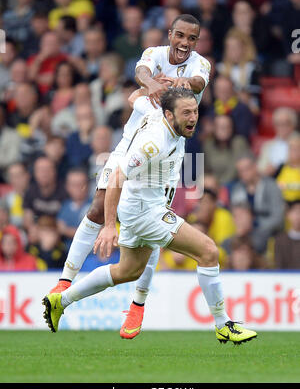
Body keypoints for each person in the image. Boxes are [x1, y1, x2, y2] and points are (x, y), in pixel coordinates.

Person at [43, 87, 257, 345]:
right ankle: (224, 325)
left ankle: (60, 301)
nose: (193, 118)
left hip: (140, 206)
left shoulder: (161, 116)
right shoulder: (154, 142)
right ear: (169, 114)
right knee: (209, 251)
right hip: (146, 211)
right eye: (186, 112)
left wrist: (149, 88)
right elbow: (116, 178)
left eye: (195, 111)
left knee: (127, 271)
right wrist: (109, 226)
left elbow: (135, 99)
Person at [47, 13, 211, 333]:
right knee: (98, 204)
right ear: (170, 34)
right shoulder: (154, 54)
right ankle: (64, 282)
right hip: (129, 146)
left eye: (192, 39)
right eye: (180, 36)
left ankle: (137, 305)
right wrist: (149, 83)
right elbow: (141, 71)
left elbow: (199, 82)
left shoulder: (198, 65)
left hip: (165, 155)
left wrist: (181, 83)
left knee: (152, 228)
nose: (184, 43)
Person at [231, 153, 285, 253]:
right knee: (228, 243)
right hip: (244, 233)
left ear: (255, 167)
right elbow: (235, 215)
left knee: (254, 242)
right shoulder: (237, 189)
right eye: (240, 171)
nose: (244, 173)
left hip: (267, 232)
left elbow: (278, 218)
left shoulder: (271, 186)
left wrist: (256, 225)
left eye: (247, 169)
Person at [257, 107, 299, 177]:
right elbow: (260, 169)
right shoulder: (267, 146)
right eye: (278, 124)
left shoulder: (298, 142)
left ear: (293, 124)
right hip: (271, 181)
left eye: (286, 123)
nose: (282, 127)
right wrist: (266, 171)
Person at [274, 200, 300, 269]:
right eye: (295, 212)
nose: (298, 216)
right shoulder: (280, 240)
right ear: (288, 215)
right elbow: (279, 265)